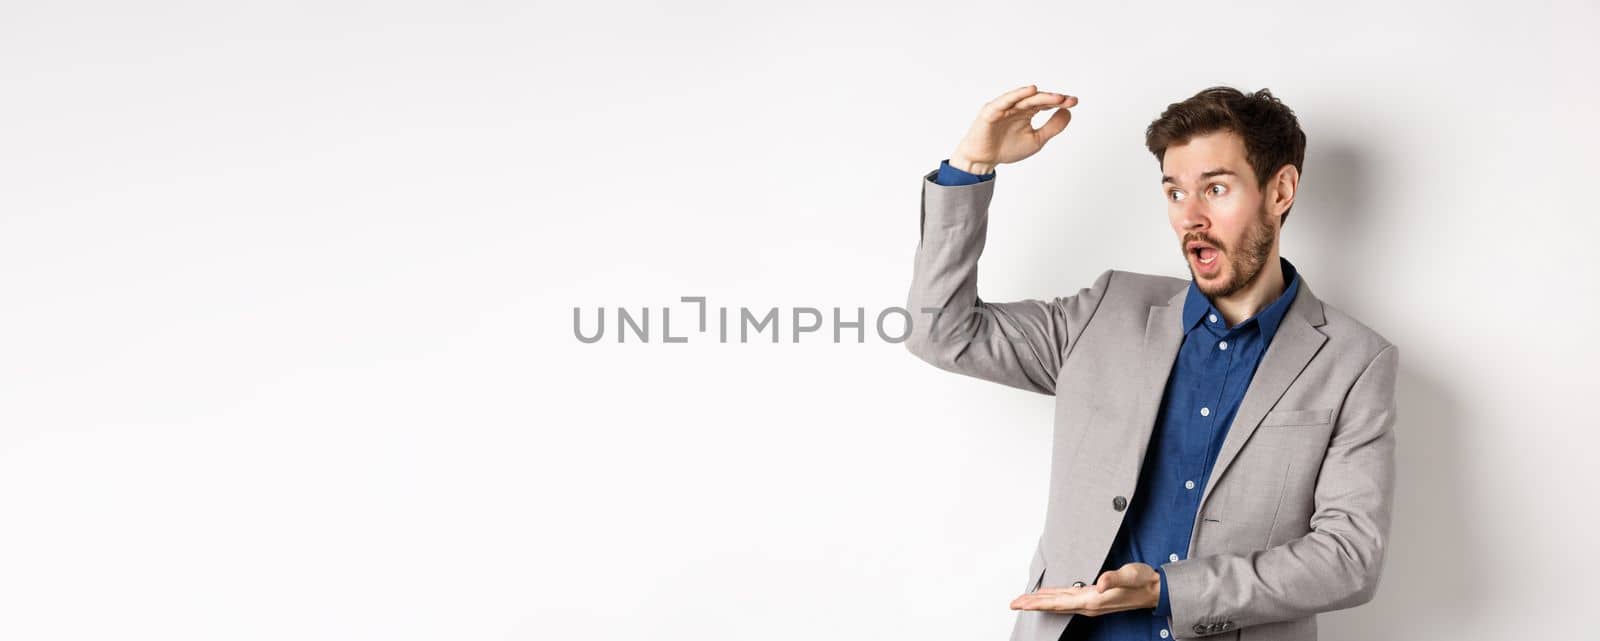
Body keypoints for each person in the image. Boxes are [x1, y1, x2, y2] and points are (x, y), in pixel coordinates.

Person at [903, 85, 1398, 641]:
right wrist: (972, 166)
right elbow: (940, 332)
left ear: (1279, 190)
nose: (1192, 217)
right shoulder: (1106, 311)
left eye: (1215, 188)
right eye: (1175, 192)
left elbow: (1350, 557)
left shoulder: (1354, 360)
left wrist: (1169, 590)